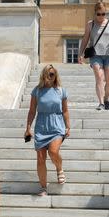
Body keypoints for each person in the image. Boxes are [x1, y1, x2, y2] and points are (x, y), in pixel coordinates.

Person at [25, 65, 71, 196]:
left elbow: (65, 110)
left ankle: (59, 168)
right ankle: (43, 188)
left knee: (53, 151)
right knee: (40, 158)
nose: (51, 76)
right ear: (43, 75)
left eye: (53, 74)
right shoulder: (37, 91)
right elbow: (32, 111)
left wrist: (68, 126)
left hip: (57, 125)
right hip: (41, 127)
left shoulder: (61, 91)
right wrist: (28, 128)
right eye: (49, 74)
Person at [79, 1, 109, 110]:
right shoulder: (90, 24)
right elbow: (85, 39)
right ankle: (101, 103)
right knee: (99, 77)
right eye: (99, 14)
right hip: (95, 55)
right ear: (95, 13)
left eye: (103, 14)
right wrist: (80, 53)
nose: (101, 16)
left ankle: (106, 99)